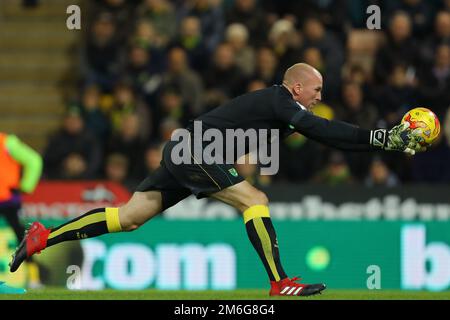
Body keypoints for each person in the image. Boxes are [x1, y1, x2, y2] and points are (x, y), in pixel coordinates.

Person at [9, 63, 423, 296]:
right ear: (296, 87)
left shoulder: (285, 109)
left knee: (129, 217)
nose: (319, 96)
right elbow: (320, 130)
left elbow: (332, 137)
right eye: (316, 90)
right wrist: (381, 138)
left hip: (188, 150)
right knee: (254, 198)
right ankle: (280, 283)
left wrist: (380, 142)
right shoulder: (282, 100)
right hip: (196, 152)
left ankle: (44, 237)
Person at [0, 132, 42, 288]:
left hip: (8, 199)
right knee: (22, 237)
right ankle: (34, 279)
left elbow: (34, 160)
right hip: (9, 198)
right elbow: (34, 160)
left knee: (22, 237)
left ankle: (34, 278)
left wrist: (26, 185)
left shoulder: (7, 142)